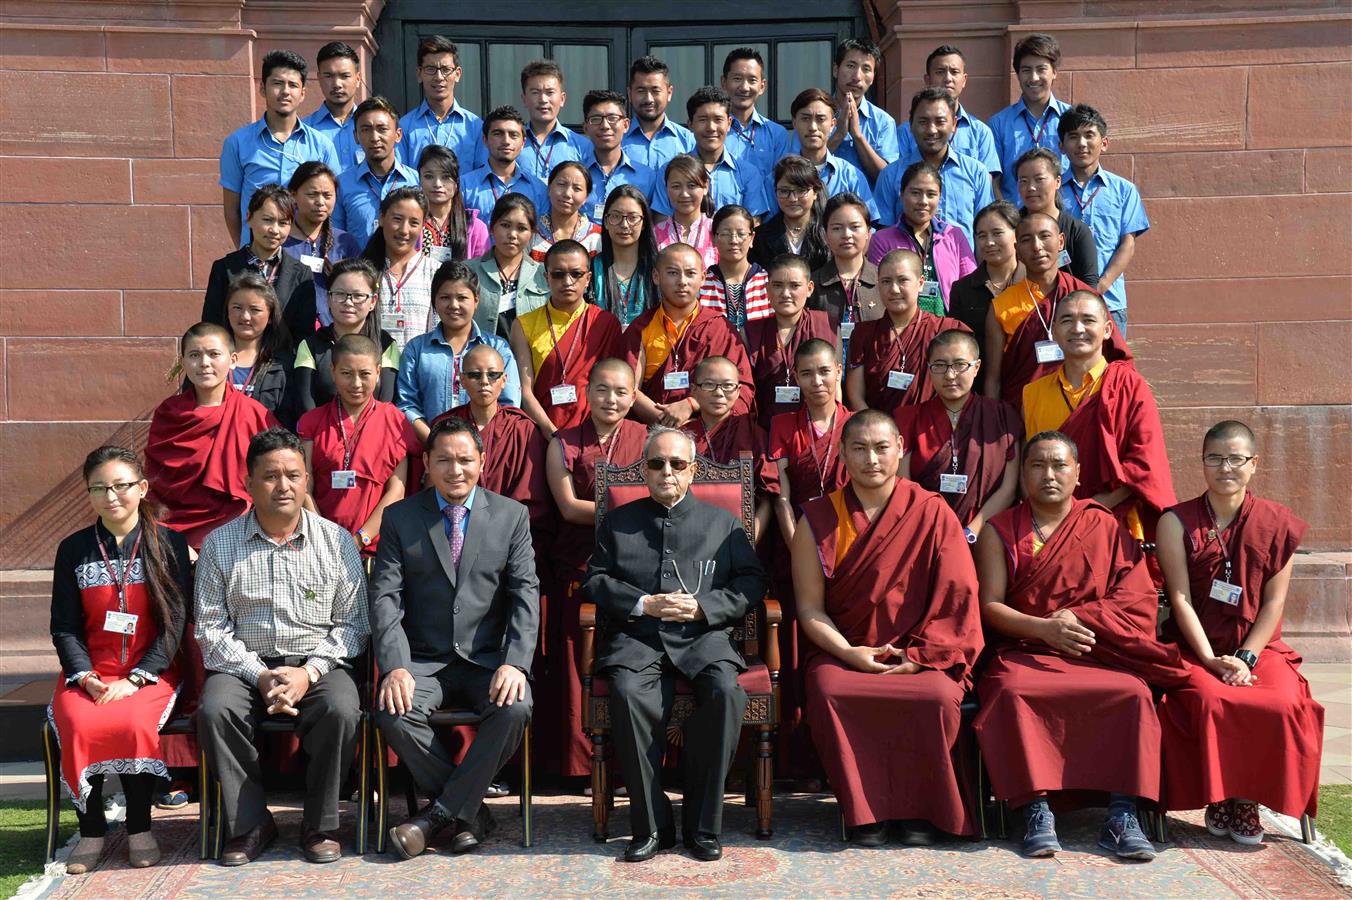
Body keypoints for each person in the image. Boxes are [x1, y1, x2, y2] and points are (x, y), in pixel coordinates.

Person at [973, 431, 1188, 860]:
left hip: (1096, 648)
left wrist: (1080, 619)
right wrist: (1042, 630)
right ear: (1023, 474)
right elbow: (990, 606)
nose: (1049, 475)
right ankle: (1035, 808)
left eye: (1059, 465)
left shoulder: (1103, 525)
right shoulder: (1001, 531)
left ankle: (1123, 813)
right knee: (1012, 692)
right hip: (1025, 649)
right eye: (1038, 465)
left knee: (1131, 693)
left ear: (1077, 474)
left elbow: (1135, 597)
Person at [793, 410, 983, 845]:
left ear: (900, 449)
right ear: (841, 454)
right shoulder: (819, 519)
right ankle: (867, 813)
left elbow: (958, 599)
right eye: (858, 448)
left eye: (882, 448)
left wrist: (917, 659)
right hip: (847, 651)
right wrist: (848, 653)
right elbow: (810, 610)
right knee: (829, 690)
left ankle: (922, 810)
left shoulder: (932, 513)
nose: (871, 459)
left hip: (921, 653)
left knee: (936, 696)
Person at [582, 426, 768, 863]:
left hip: (702, 639)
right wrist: (643, 603)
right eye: (656, 464)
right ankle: (651, 827)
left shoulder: (723, 524)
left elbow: (752, 581)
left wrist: (705, 607)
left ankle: (703, 827)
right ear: (645, 470)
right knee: (627, 695)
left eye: (677, 464)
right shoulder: (619, 521)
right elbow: (594, 580)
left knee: (725, 693)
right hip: (637, 640)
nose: (666, 472)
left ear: (694, 471)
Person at [195, 428, 369, 866]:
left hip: (318, 665)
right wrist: (260, 674)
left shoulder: (337, 542)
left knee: (342, 709)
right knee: (216, 711)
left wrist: (306, 673)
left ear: (307, 479)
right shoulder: (219, 545)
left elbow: (354, 626)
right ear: (249, 483)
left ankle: (320, 824)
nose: (283, 486)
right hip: (242, 667)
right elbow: (211, 630)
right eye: (270, 476)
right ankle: (251, 824)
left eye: (293, 474)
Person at [370, 417, 539, 859]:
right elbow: (386, 599)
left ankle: (438, 815)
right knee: (393, 712)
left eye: (465, 459)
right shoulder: (400, 517)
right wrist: (396, 666)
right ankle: (470, 813)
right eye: (443, 460)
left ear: (482, 462)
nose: (455, 469)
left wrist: (515, 662)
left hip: (487, 661)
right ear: (426, 463)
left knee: (516, 705)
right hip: (423, 660)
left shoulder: (511, 516)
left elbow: (525, 594)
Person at [1156, 421, 1323, 843]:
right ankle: (1221, 796)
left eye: (1235, 459)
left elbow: (1273, 605)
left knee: (1281, 702)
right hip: (1196, 648)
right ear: (1202, 463)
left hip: (1259, 647)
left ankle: (1247, 799)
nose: (1225, 467)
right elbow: (1180, 600)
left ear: (1253, 465)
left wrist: (1246, 657)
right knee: (1213, 698)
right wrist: (1212, 659)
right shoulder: (1176, 522)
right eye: (1215, 458)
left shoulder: (1276, 522)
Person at [50, 446, 192, 874]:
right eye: (99, 488)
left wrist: (137, 679)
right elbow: (64, 627)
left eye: (121, 486)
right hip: (90, 670)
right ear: (88, 494)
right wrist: (87, 678)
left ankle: (139, 828)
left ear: (142, 488)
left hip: (152, 670)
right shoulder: (73, 549)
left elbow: (176, 621)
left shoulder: (168, 543)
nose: (111, 496)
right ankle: (91, 830)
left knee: (131, 722)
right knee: (78, 722)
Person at [542, 359, 649, 778]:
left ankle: (629, 765)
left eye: (622, 392)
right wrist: (628, 511)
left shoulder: (646, 439)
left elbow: (662, 499)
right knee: (578, 666)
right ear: (587, 392)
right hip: (579, 566)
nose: (612, 399)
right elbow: (568, 508)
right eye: (603, 390)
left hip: (634, 569)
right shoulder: (563, 442)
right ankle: (583, 767)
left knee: (631, 665)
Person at [1022, 290, 1174, 541]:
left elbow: (1142, 466)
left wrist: (1083, 512)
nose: (1077, 328)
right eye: (1067, 320)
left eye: (1088, 320)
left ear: (1107, 330)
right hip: (1048, 526)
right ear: (1055, 331)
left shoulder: (1128, 386)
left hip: (1112, 521)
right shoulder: (1033, 393)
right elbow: (1029, 465)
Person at [766, 338, 851, 779]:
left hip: (846, 551)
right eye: (806, 374)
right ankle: (794, 761)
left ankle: (834, 756)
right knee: (795, 654)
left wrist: (832, 548)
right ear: (794, 379)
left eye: (824, 372)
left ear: (838, 371)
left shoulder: (856, 425)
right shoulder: (783, 425)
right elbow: (780, 496)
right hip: (793, 547)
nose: (816, 382)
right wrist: (802, 547)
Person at [145, 323, 277, 551]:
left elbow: (274, 472)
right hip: (174, 531)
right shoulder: (169, 413)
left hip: (237, 532)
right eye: (194, 355)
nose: (204, 363)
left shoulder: (253, 413)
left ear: (233, 360)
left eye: (214, 354)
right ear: (183, 362)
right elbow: (157, 481)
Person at [983, 211, 1122, 407]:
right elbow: (993, 379)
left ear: (1061, 241)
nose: (1037, 246)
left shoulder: (1086, 297)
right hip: (1024, 414)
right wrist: (994, 424)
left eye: (1045, 236)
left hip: (1083, 406)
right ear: (1017, 250)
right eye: (1026, 240)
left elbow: (1117, 359)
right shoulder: (1001, 306)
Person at [298, 333, 419, 557]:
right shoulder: (312, 422)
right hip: (319, 547)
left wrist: (360, 539)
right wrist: (324, 537)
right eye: (346, 374)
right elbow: (305, 486)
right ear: (332, 372)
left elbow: (396, 490)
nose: (356, 384)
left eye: (365, 374)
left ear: (378, 372)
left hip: (377, 548)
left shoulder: (395, 421)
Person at [895, 329, 1020, 541]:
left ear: (977, 367)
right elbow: (903, 482)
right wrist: (931, 526)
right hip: (924, 532)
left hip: (986, 534)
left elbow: (1008, 487)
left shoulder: (1001, 415)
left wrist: (973, 529)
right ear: (929, 369)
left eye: (960, 365)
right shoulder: (908, 418)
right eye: (940, 366)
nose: (950, 375)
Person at [625, 243, 754, 426]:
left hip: (709, 431)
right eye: (672, 273)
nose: (682, 282)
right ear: (656, 276)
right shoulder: (641, 327)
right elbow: (628, 390)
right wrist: (668, 423)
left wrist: (692, 405)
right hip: (654, 432)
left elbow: (742, 388)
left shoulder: (719, 327)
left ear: (702, 278)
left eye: (690, 273)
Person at [220, 49, 338, 247]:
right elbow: (231, 210)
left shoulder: (321, 145)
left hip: (306, 254)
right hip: (257, 255)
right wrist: (247, 248)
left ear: (302, 94)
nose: (285, 91)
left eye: (293, 85)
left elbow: (332, 202)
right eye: (277, 83)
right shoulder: (238, 143)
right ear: (262, 89)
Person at [397, 260, 522, 444]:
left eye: (462, 298)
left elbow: (508, 404)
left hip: (488, 449)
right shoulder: (417, 349)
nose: (453, 305)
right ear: (434, 301)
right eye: (445, 297)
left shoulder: (497, 348)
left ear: (476, 300)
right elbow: (407, 405)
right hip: (433, 452)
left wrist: (477, 447)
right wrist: (437, 443)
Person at [511, 239, 623, 434]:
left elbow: (613, 386)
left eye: (576, 274)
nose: (567, 282)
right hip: (541, 432)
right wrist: (552, 436)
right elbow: (525, 392)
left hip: (594, 432)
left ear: (588, 278)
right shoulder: (524, 325)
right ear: (546, 278)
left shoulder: (604, 323)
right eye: (558, 274)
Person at [1058, 104, 1149, 335]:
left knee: (1112, 369)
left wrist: (1100, 286)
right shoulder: (1053, 190)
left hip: (1110, 302)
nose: (1082, 143)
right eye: (1073, 137)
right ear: (1062, 146)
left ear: (1104, 143)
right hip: (1061, 300)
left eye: (1089, 135)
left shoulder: (1123, 190)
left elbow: (1127, 244)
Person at [845, 249, 969, 415]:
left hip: (930, 429)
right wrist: (879, 430)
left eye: (903, 280)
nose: (894, 289)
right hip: (878, 434)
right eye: (886, 281)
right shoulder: (863, 334)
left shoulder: (945, 330)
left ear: (920, 283)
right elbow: (855, 395)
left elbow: (959, 387)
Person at [202, 184, 317, 345]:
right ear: (249, 217)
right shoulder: (225, 268)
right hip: (235, 363)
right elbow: (212, 325)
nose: (274, 230)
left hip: (282, 365)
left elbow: (304, 334)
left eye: (283, 223)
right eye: (267, 220)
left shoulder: (301, 273)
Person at [875, 88, 994, 242]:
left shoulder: (976, 172)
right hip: (907, 263)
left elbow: (984, 233)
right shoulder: (890, 175)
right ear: (911, 124)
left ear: (954, 124)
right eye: (923, 122)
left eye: (940, 121)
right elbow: (884, 236)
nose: (931, 130)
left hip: (962, 265)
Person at [290, 257, 400, 414]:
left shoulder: (386, 345)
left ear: (373, 301)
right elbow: (306, 405)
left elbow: (386, 402)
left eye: (357, 296)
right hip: (323, 434)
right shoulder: (310, 345)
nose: (348, 302)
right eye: (340, 294)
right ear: (328, 298)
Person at [681, 357, 776, 540]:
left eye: (727, 386)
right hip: (689, 536)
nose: (719, 393)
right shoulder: (682, 436)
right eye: (709, 385)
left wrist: (747, 542)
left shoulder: (752, 432)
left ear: (738, 390)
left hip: (741, 534)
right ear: (694, 390)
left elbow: (767, 498)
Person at [867, 161, 978, 316]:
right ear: (902, 194)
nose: (923, 201)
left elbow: (970, 286)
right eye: (915, 193)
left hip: (948, 326)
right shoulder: (882, 240)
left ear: (939, 198)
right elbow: (879, 289)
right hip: (901, 325)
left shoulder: (954, 235)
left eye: (931, 194)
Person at [785, 39, 897, 183]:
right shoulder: (811, 115)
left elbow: (887, 179)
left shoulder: (883, 122)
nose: (857, 76)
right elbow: (796, 171)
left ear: (873, 77)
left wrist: (857, 136)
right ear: (836, 70)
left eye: (866, 69)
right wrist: (839, 134)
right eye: (851, 66)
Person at [746, 255, 836, 429]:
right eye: (777, 285)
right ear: (767, 289)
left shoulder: (827, 326)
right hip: (764, 429)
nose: (785, 294)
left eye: (794, 286)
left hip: (814, 427)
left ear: (810, 288)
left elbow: (834, 387)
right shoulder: (751, 332)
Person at [896, 46, 1001, 191]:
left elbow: (985, 184)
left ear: (964, 80)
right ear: (927, 79)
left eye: (954, 72)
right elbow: (898, 178)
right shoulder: (906, 131)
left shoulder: (981, 132)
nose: (947, 79)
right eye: (940, 72)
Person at [651, 87, 767, 217]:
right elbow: (661, 223)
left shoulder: (748, 173)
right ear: (690, 125)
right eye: (702, 120)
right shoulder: (669, 171)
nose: (711, 128)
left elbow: (754, 223)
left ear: (729, 124)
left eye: (718, 120)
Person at [946, 201, 1022, 394]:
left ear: (1017, 234)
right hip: (978, 389)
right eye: (982, 235)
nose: (989, 242)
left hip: (1028, 384)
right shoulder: (962, 289)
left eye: (997, 233)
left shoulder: (1033, 284)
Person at [988, 33, 1070, 202]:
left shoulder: (1070, 119)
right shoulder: (998, 124)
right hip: (1016, 221)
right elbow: (993, 181)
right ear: (1017, 74)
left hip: (1063, 220)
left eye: (1041, 69)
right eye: (1026, 70)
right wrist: (1007, 218)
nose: (1033, 78)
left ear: (1054, 72)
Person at [772, 89, 874, 217]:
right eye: (805, 118)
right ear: (794, 123)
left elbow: (868, 226)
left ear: (832, 125)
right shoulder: (779, 175)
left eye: (820, 119)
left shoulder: (850, 176)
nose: (813, 127)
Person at [333, 97, 419, 247]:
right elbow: (335, 239)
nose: (374, 138)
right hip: (359, 268)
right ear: (356, 136)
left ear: (398, 135)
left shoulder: (416, 181)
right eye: (366, 130)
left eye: (382, 129)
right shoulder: (342, 184)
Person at [284, 161, 363, 325]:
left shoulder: (345, 243)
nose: (320, 202)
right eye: (312, 194)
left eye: (327, 195)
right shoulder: (280, 241)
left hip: (333, 333)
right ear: (293, 195)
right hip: (287, 332)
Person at [468, 192, 551, 338]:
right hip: (478, 357)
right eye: (505, 225)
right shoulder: (468, 271)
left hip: (529, 359)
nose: (512, 234)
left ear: (532, 233)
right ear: (492, 228)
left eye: (521, 228)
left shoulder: (544, 275)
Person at [397, 35, 484, 175]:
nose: (438, 77)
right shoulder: (405, 127)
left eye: (445, 69)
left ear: (457, 74)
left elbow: (481, 177)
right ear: (419, 74)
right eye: (431, 69)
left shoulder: (474, 126)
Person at [1013, 148, 1098, 286]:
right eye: (1023, 181)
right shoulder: (1010, 226)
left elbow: (1089, 282)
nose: (1031, 187)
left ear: (1058, 181)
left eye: (1039, 179)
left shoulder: (1077, 230)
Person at [364, 186, 433, 349]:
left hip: (416, 371)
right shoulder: (363, 272)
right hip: (373, 370)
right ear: (381, 218)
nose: (404, 230)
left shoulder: (434, 271)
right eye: (397, 219)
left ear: (424, 225)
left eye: (414, 223)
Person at [221, 272, 295, 425]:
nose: (245, 317)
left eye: (255, 310)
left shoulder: (284, 365)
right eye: (237, 308)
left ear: (270, 316)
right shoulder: (209, 358)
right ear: (227, 312)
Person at [809, 193, 881, 339]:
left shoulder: (883, 280)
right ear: (826, 234)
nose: (846, 235)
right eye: (837, 228)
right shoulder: (812, 285)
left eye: (855, 227)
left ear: (868, 232)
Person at [581, 89, 658, 223]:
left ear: (626, 125)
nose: (605, 126)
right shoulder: (577, 175)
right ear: (585, 127)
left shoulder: (647, 176)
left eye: (612, 118)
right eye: (596, 119)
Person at [461, 106, 548, 222]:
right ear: (485, 140)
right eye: (498, 134)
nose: (506, 141)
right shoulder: (464, 186)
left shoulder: (538, 189)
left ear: (523, 142)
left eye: (513, 135)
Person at [592, 185, 660, 326]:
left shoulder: (657, 268)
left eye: (633, 217)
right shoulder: (592, 268)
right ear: (605, 221)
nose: (624, 224)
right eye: (616, 216)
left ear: (643, 223)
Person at [518, 59, 593, 182]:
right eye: (535, 92)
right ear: (524, 99)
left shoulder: (581, 146)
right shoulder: (511, 144)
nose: (543, 99)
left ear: (562, 99)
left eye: (550, 92)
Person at [750, 156, 829, 272]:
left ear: (815, 192)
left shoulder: (828, 233)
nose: (792, 198)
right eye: (784, 191)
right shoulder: (760, 238)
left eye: (801, 190)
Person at [720, 47, 790, 177]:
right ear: (724, 82)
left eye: (752, 80)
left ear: (762, 86)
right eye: (737, 79)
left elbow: (781, 182)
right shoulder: (713, 131)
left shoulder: (777, 135)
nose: (744, 88)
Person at [699, 204, 770, 330]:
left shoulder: (768, 282)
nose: (734, 240)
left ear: (752, 238)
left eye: (741, 234)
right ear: (714, 238)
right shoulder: (701, 283)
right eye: (726, 234)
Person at [418, 144, 490, 264]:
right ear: (420, 180)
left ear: (456, 183)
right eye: (429, 176)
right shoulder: (411, 224)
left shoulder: (475, 228)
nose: (437, 184)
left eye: (445, 177)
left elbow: (481, 275)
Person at [623, 55, 696, 171]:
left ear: (669, 92)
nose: (648, 99)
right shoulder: (618, 140)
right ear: (629, 93)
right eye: (641, 91)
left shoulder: (687, 141)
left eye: (655, 91)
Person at [303, 41, 363, 174]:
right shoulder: (304, 131)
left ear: (358, 79)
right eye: (328, 76)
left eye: (345, 76)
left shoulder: (372, 128)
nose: (337, 84)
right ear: (319, 79)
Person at [529, 161, 603, 262]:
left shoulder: (597, 237)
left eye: (577, 188)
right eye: (561, 184)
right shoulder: (532, 233)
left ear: (586, 197)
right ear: (549, 188)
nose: (567, 194)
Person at [654, 155, 718, 269]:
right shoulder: (655, 234)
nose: (684, 194)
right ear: (666, 189)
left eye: (691, 186)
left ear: (705, 187)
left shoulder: (717, 231)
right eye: (676, 186)